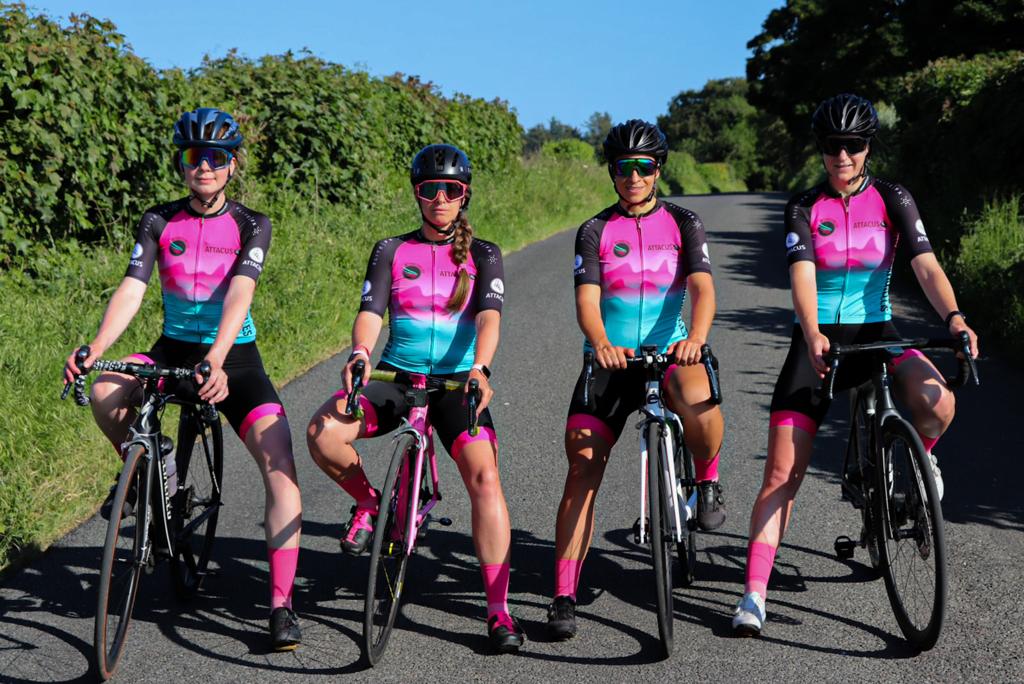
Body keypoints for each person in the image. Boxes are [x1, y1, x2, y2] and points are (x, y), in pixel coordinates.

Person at [731, 93, 980, 636]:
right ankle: (753, 595)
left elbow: (926, 266)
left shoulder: (892, 197)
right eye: (831, 146)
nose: (842, 156)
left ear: (868, 147)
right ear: (820, 149)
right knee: (781, 474)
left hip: (876, 330)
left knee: (939, 400)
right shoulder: (803, 206)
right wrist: (813, 331)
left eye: (853, 145)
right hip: (817, 338)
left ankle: (917, 460)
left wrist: (956, 317)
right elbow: (801, 275)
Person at [63, 108, 303, 651]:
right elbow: (133, 287)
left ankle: (282, 606)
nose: (206, 168)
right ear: (183, 163)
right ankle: (156, 461)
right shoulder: (157, 220)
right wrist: (97, 347)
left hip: (234, 358)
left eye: (216, 158)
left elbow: (241, 292)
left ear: (231, 165)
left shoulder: (251, 223)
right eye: (196, 157)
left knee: (281, 466)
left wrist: (217, 359)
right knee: (105, 387)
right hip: (173, 349)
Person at [306, 144, 523, 653]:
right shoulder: (391, 250)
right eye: (430, 190)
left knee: (486, 478)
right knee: (323, 432)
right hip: (398, 378)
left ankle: (499, 611)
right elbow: (371, 310)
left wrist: (481, 368)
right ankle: (371, 505)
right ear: (417, 194)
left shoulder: (483, 254)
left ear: (464, 195)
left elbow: (489, 318)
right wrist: (361, 350)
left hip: (455, 385)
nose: (440, 199)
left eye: (451, 191)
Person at [547, 120, 726, 640]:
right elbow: (586, 300)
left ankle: (708, 480)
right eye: (623, 168)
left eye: (643, 167)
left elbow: (703, 287)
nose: (633, 177)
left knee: (698, 394)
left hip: (671, 352)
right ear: (612, 172)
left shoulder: (684, 222)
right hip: (611, 361)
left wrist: (696, 335)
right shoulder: (595, 230)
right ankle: (563, 592)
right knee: (581, 467)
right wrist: (601, 343)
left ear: (658, 171)